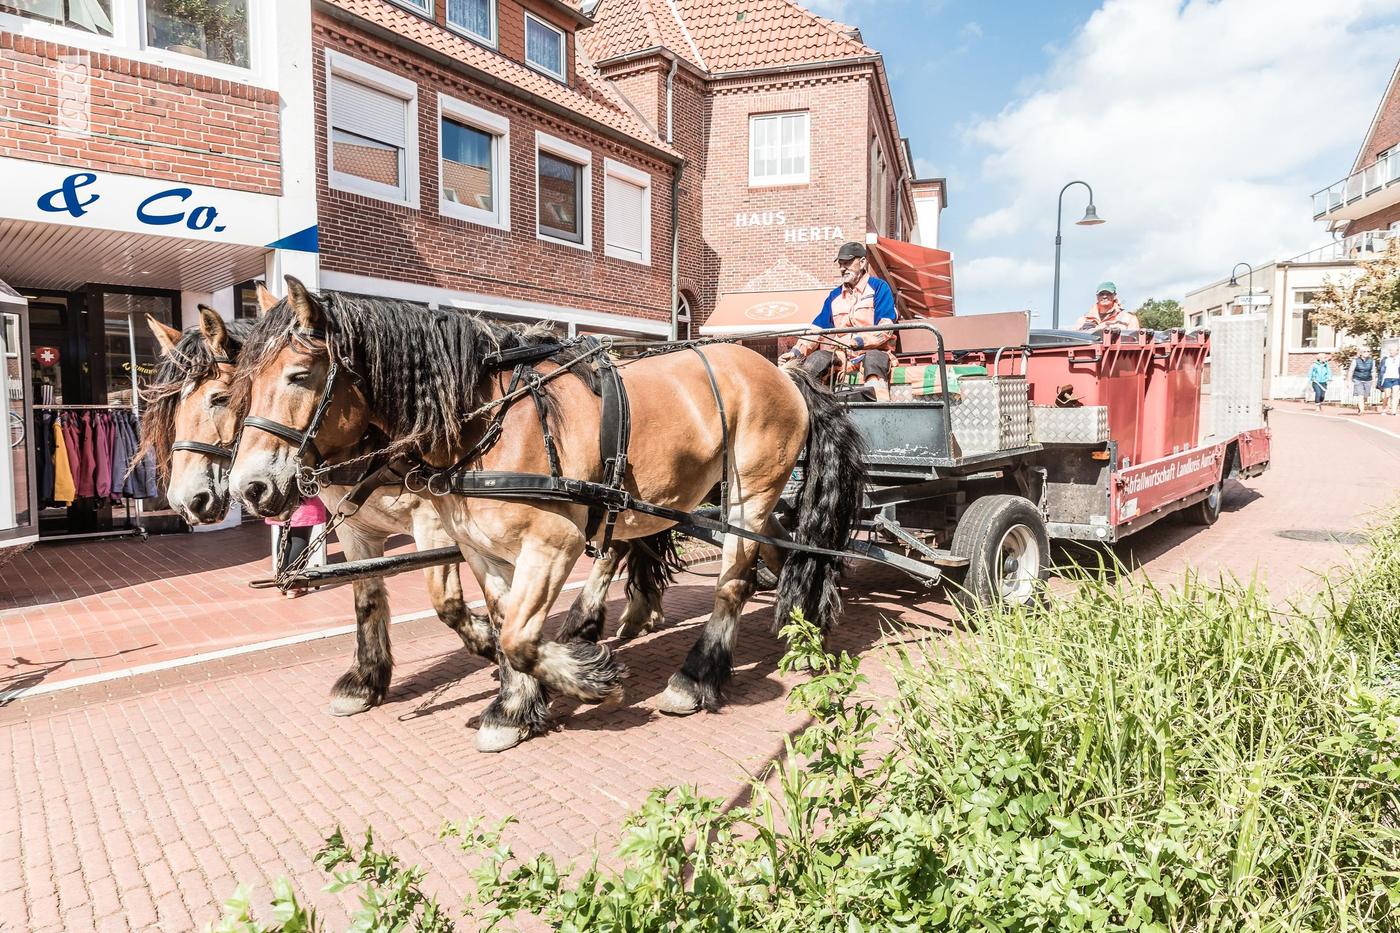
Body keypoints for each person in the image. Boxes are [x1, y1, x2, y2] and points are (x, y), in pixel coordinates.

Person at [778, 241, 897, 401]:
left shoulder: (879, 288)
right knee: (816, 359)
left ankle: (881, 409)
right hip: (842, 356)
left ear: (862, 262)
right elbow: (817, 330)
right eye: (840, 264)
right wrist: (795, 353)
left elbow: (886, 328)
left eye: (847, 263)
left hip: (875, 352)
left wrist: (858, 341)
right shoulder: (834, 296)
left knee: (874, 360)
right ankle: (808, 409)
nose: (842, 268)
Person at [269, 495, 329, 598]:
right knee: (300, 538)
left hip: (282, 502)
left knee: (283, 535)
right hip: (304, 500)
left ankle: (282, 581)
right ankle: (294, 586)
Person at [1075, 281, 1140, 333]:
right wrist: (1082, 331)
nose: (1104, 296)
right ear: (1097, 297)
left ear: (1114, 296)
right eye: (1101, 294)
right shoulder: (1083, 320)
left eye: (1108, 294)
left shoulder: (1129, 319)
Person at [1348, 347, 1377, 415]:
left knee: (1365, 396)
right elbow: (1351, 371)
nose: (1366, 353)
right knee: (1360, 395)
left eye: (1368, 351)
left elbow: (1373, 371)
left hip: (1368, 379)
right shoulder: (1355, 360)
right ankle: (1362, 411)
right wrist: (1348, 380)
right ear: (1361, 353)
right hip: (1358, 379)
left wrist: (1374, 381)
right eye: (1364, 351)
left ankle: (1360, 406)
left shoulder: (1372, 361)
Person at [1379, 345, 1400, 415]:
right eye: (1390, 350)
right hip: (1387, 378)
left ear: (1397, 351)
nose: (1391, 352)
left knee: (1395, 395)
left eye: (1393, 350)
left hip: (1396, 378)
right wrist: (1380, 380)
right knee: (1387, 395)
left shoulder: (1399, 359)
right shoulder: (1386, 359)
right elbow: (1381, 370)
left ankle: (1394, 411)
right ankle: (1384, 409)